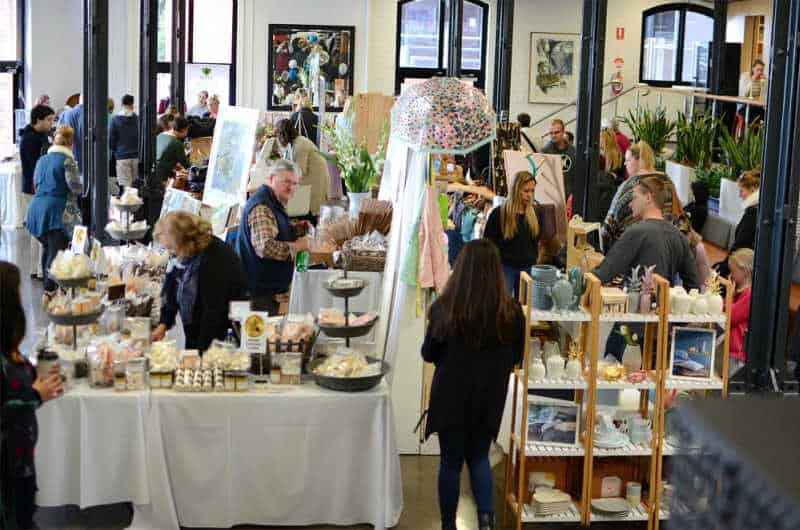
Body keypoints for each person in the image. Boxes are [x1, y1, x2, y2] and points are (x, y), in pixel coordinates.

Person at [420, 239, 525, 530]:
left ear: (461, 269)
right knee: (479, 458)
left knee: (451, 463)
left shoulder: (444, 309)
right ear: (495, 271)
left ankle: (447, 525)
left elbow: (429, 354)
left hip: (450, 398)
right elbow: (518, 358)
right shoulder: (512, 313)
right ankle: (486, 523)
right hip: (489, 400)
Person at [1, 261, 64, 530]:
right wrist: (35, 395)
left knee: (25, 510)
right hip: (6, 465)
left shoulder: (8, 344)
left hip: (21, 457)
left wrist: (35, 372)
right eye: (17, 289)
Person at [151, 212, 248, 350]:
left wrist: (200, 357)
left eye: (172, 248)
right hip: (196, 328)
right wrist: (163, 325)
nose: (171, 253)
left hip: (222, 335)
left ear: (185, 240)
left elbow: (213, 312)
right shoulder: (182, 253)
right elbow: (171, 289)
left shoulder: (215, 257)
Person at [593, 175, 700, 290]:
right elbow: (693, 286)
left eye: (634, 197)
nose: (630, 204)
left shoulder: (635, 232)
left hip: (634, 305)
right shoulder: (679, 236)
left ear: (648, 197)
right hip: (664, 305)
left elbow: (603, 274)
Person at [237, 159, 312, 314]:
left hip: (265, 291)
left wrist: (295, 229)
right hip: (259, 296)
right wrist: (298, 246)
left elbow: (274, 230)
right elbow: (265, 248)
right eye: (286, 182)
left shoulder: (273, 200)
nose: (291, 187)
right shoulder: (262, 207)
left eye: (294, 183)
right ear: (271, 179)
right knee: (263, 338)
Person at [25, 126, 83, 297]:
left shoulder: (42, 160)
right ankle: (51, 291)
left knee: (47, 248)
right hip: (57, 211)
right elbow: (75, 187)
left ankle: (48, 287)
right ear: (71, 143)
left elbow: (35, 182)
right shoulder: (68, 161)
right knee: (56, 252)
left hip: (36, 210)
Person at [483, 171, 541, 297]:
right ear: (515, 190)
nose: (529, 195)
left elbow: (536, 242)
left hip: (528, 267)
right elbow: (487, 244)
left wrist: (535, 261)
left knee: (526, 308)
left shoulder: (534, 214)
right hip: (505, 267)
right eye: (525, 191)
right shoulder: (499, 213)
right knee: (503, 306)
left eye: (532, 191)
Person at [255, 118, 329, 216]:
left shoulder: (300, 145)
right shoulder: (296, 143)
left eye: (277, 136)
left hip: (316, 181)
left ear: (282, 135)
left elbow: (299, 172)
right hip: (313, 178)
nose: (278, 140)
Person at [20, 105, 55, 280]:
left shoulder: (41, 137)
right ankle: (40, 269)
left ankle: (36, 268)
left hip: (37, 188)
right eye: (49, 119)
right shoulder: (29, 140)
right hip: (34, 190)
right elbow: (35, 168)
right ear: (38, 120)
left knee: (37, 230)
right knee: (39, 229)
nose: (51, 123)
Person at [716, 170, 760, 277]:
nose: (740, 195)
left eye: (742, 190)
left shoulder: (752, 213)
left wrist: (724, 267)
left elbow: (740, 244)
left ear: (753, 189)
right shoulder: (758, 211)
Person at [150, 116, 191, 228]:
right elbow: (186, 164)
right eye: (187, 130)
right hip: (163, 177)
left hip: (153, 174)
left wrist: (173, 164)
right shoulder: (176, 143)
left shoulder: (160, 136)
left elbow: (163, 156)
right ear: (183, 130)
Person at [726, 248, 753, 377]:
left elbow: (731, 316)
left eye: (733, 272)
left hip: (737, 353)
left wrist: (729, 295)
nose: (731, 276)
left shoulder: (749, 295)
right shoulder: (741, 292)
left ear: (745, 272)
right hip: (730, 349)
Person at [109, 94, 139, 193]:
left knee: (126, 188)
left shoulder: (115, 119)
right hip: (135, 156)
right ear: (132, 104)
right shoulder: (137, 119)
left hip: (122, 156)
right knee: (135, 187)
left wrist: (115, 150)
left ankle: (127, 207)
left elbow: (112, 139)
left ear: (122, 104)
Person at [541, 119, 576, 199]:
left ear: (563, 132)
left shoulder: (573, 151)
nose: (553, 135)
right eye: (551, 133)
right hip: (551, 196)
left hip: (569, 195)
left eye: (557, 132)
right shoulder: (545, 151)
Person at [57, 94, 84, 173]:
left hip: (71, 159)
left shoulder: (66, 114)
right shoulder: (96, 115)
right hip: (91, 162)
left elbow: (60, 138)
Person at [738, 59, 767, 125]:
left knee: (767, 115)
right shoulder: (745, 77)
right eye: (758, 70)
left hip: (758, 106)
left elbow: (765, 96)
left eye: (761, 70)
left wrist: (764, 84)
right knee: (754, 113)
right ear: (753, 69)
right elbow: (744, 94)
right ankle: (749, 132)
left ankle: (758, 133)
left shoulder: (763, 80)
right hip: (745, 106)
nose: (760, 72)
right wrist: (752, 81)